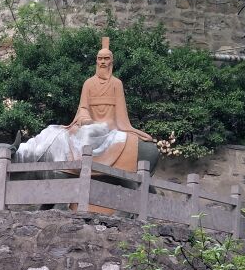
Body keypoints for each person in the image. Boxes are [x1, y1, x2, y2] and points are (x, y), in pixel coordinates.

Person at [13, 37, 154, 170]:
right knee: (68, 133)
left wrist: (125, 128)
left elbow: (121, 116)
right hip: (91, 123)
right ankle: (73, 165)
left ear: (111, 62)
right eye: (100, 59)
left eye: (106, 59)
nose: (103, 62)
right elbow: (83, 107)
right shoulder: (88, 83)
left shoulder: (117, 84)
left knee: (89, 133)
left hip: (108, 125)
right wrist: (85, 118)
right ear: (96, 61)